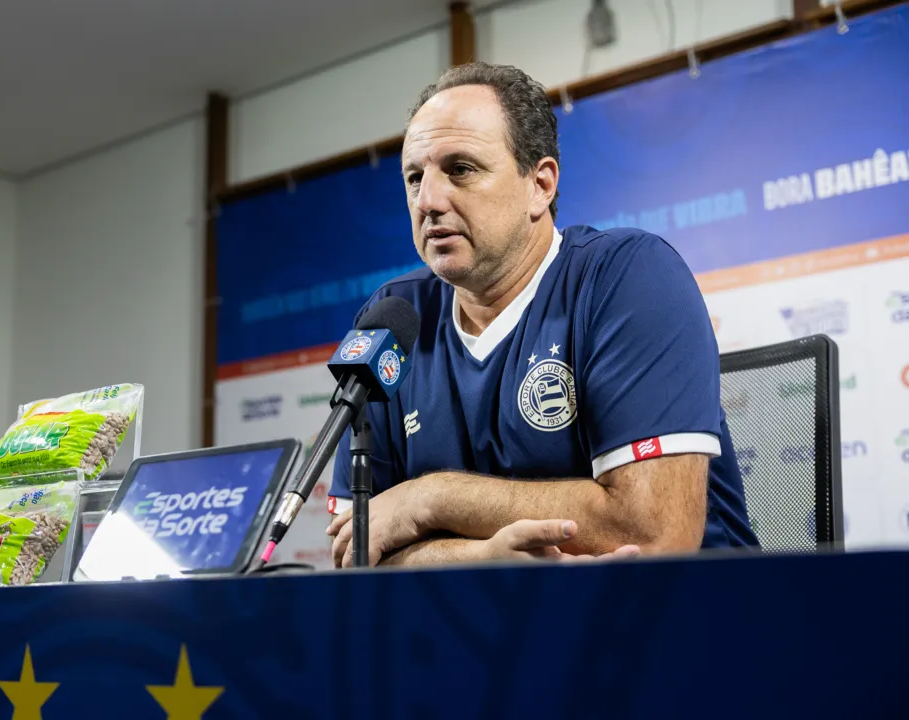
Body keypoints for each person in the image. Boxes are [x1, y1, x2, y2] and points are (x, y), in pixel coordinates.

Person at [325, 62, 759, 568]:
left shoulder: (628, 276)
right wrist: (482, 558)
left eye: (460, 169)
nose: (429, 201)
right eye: (415, 177)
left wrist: (430, 499)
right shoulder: (390, 317)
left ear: (541, 184)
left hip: (680, 626)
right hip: (488, 635)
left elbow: (652, 534)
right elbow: (355, 550)